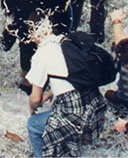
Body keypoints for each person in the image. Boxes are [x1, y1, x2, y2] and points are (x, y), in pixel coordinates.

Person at [26, 18, 106, 157]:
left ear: (33, 32)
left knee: (34, 124)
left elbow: (35, 98)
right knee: (54, 108)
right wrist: (50, 95)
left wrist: (32, 107)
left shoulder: (41, 54)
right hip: (95, 106)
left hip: (75, 113)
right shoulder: (66, 41)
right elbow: (68, 76)